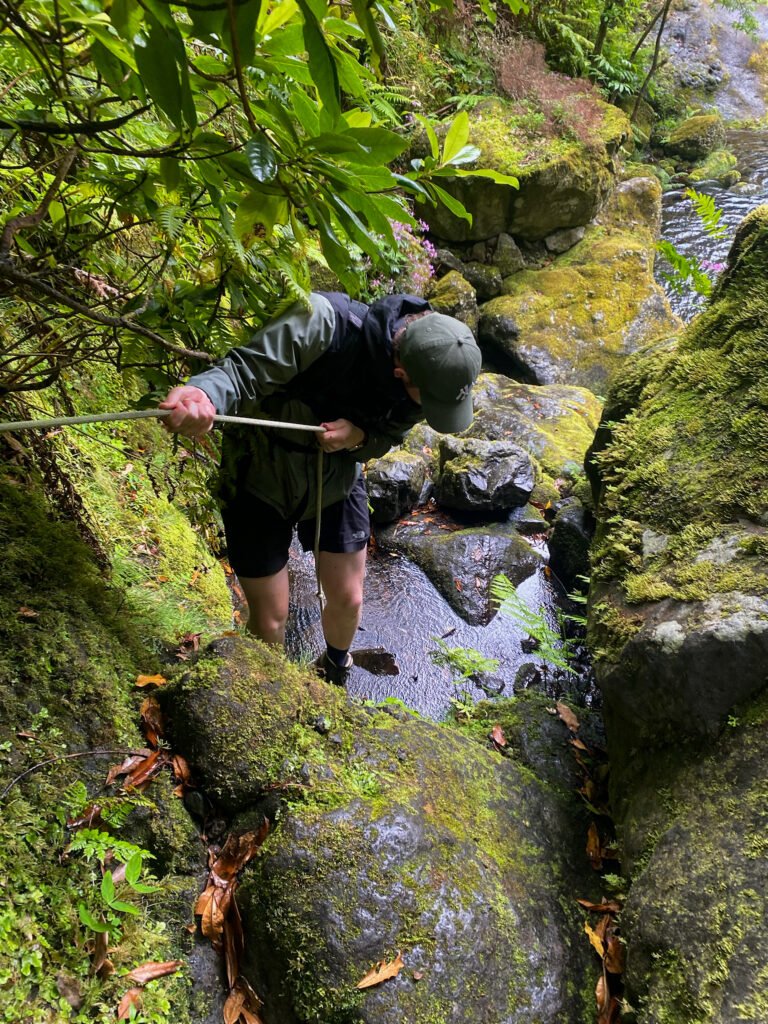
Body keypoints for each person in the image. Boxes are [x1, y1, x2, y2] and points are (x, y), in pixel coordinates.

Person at [160, 291, 482, 684]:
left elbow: (389, 435)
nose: (428, 411)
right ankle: (268, 690)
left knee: (349, 597)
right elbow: (243, 370)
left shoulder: (433, 374)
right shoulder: (324, 323)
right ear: (401, 372)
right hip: (261, 472)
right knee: (271, 617)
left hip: (338, 477)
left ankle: (334, 666)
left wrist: (360, 438)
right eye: (427, 401)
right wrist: (205, 394)